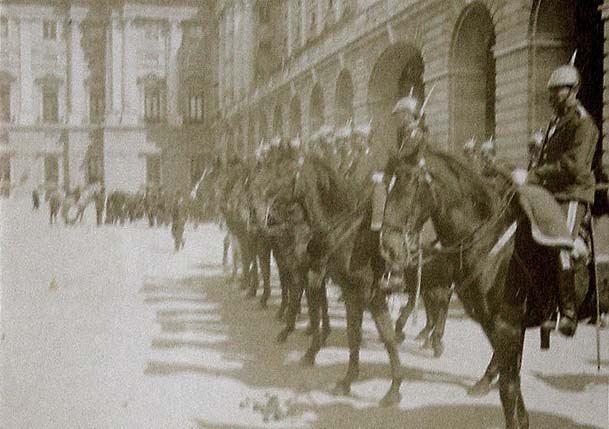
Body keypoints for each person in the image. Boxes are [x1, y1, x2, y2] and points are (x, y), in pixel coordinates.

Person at [510, 61, 599, 336]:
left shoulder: (583, 123)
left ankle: (568, 311)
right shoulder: (556, 122)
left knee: (560, 242)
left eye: (556, 91)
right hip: (552, 191)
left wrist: (533, 176)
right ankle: (541, 305)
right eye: (551, 92)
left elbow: (573, 167)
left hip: (573, 193)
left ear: (572, 91)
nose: (551, 97)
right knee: (528, 234)